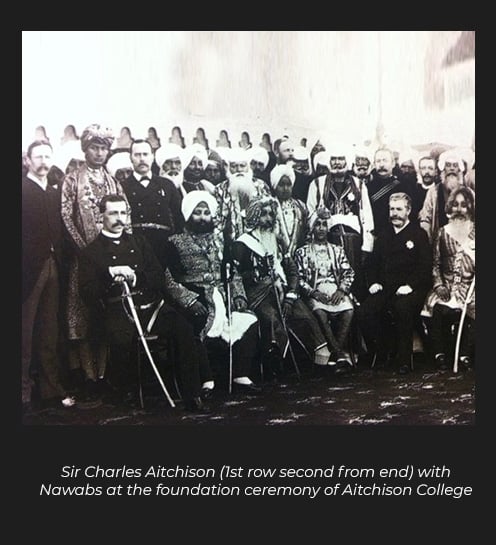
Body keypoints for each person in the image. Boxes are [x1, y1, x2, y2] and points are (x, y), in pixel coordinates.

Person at [78, 195, 207, 411]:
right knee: (120, 340)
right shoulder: (91, 252)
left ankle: (191, 393)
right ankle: (126, 392)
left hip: (151, 306)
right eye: (112, 213)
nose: (119, 219)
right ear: (101, 216)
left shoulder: (139, 242)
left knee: (183, 328)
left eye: (122, 213)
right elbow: (87, 292)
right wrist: (110, 277)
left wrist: (135, 277)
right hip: (118, 309)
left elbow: (157, 276)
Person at [166, 191, 261, 396]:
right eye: (197, 213)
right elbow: (168, 279)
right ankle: (206, 380)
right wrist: (189, 301)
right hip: (196, 295)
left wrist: (238, 296)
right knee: (195, 324)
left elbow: (231, 271)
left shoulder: (221, 239)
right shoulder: (174, 242)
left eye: (206, 212)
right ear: (188, 215)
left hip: (223, 293)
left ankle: (240, 374)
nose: (202, 218)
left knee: (249, 320)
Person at [61, 124, 126, 396]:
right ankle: (88, 377)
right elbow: (66, 215)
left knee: (107, 312)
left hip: (110, 259)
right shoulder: (73, 179)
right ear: (85, 149)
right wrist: (85, 251)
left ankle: (104, 374)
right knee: (84, 317)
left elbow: (125, 216)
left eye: (103, 148)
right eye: (94, 148)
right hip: (83, 259)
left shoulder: (112, 181)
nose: (99, 153)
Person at [232, 197, 331, 375]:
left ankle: (319, 362)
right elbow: (236, 275)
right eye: (264, 214)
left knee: (305, 317)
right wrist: (242, 293)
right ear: (254, 217)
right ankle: (276, 365)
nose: (269, 219)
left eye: (271, 214)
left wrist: (291, 295)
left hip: (282, 291)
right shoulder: (242, 244)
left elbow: (292, 271)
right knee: (271, 319)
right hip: (257, 294)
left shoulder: (277, 241)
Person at [22, 140, 75, 412]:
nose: (43, 162)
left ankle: (51, 388)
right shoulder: (21, 190)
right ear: (27, 161)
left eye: (47, 156)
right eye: (38, 157)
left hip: (55, 267)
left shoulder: (55, 193)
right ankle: (22, 393)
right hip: (27, 270)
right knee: (23, 332)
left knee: (49, 331)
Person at [359, 193, 432, 374]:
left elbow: (425, 267)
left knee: (402, 308)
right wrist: (373, 282)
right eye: (392, 209)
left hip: (411, 289)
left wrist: (410, 285)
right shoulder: (383, 234)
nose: (395, 213)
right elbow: (372, 263)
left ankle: (404, 359)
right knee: (365, 312)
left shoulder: (418, 234)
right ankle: (384, 349)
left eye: (399, 209)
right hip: (387, 287)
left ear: (408, 211)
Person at [306, 145, 374, 302]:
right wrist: (319, 215)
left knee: (354, 283)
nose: (337, 162)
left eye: (341, 158)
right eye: (333, 159)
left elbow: (367, 217)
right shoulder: (316, 184)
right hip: (328, 240)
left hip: (354, 244)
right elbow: (309, 215)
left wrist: (366, 247)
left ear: (348, 160)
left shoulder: (359, 184)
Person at [295, 208, 355, 374]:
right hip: (316, 292)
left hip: (336, 291)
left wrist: (342, 290)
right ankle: (339, 355)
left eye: (324, 225)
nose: (321, 228)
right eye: (317, 225)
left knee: (348, 311)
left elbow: (348, 272)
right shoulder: (302, 252)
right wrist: (313, 293)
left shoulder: (337, 250)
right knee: (320, 313)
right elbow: (299, 278)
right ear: (312, 228)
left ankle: (336, 355)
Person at [422, 187, 475, 371]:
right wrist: (438, 286)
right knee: (437, 308)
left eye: (463, 205)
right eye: (455, 205)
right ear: (449, 207)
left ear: (470, 207)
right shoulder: (443, 232)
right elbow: (435, 265)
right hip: (446, 285)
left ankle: (465, 355)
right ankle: (440, 354)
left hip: (471, 288)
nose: (459, 209)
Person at [120, 139, 184, 268]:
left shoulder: (167, 185)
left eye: (145, 154)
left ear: (152, 157)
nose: (142, 159)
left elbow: (179, 218)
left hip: (164, 245)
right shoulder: (122, 187)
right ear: (131, 158)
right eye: (137, 155)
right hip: (136, 246)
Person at [214, 147, 271, 250]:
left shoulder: (261, 186)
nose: (239, 170)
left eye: (242, 166)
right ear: (229, 168)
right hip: (229, 246)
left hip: (259, 245)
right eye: (234, 166)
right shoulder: (220, 189)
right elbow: (217, 222)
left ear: (248, 167)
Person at [419, 150, 472, 243]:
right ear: (443, 169)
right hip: (440, 243)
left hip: (464, 242)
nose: (451, 169)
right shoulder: (433, 192)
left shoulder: (469, 193)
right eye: (448, 165)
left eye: (455, 166)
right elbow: (425, 218)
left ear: (459, 170)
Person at [367, 148, 411, 236]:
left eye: (385, 160)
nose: (382, 165)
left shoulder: (403, 186)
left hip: (396, 233)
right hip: (374, 234)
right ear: (374, 164)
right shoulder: (368, 187)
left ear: (393, 163)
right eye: (378, 161)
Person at [270, 164, 309, 258]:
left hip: (298, 257)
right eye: (281, 185)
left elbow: (307, 232)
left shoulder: (300, 206)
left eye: (288, 184)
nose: (285, 189)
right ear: (275, 186)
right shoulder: (269, 206)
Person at [411, 155, 439, 220]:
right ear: (419, 171)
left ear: (436, 171)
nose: (427, 172)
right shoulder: (413, 191)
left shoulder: (439, 191)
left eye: (430, 168)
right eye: (423, 168)